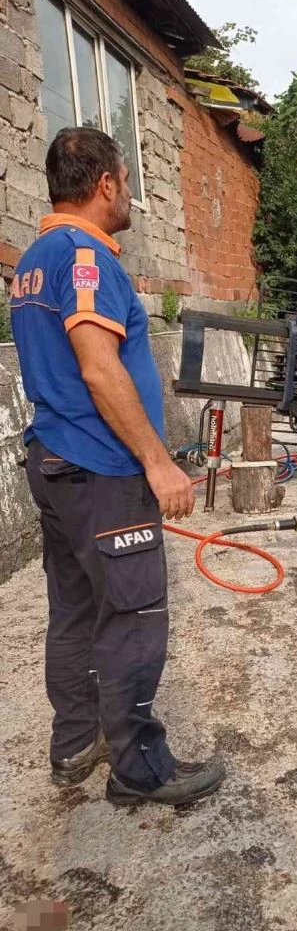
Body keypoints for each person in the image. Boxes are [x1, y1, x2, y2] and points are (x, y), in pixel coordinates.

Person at [9, 127, 225, 807]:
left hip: (55, 466)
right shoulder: (86, 258)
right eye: (127, 181)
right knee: (132, 615)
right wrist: (159, 464)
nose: (130, 193)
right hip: (102, 472)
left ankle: (74, 743)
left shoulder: (35, 259)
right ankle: (140, 769)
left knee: (75, 609)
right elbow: (99, 368)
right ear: (105, 184)